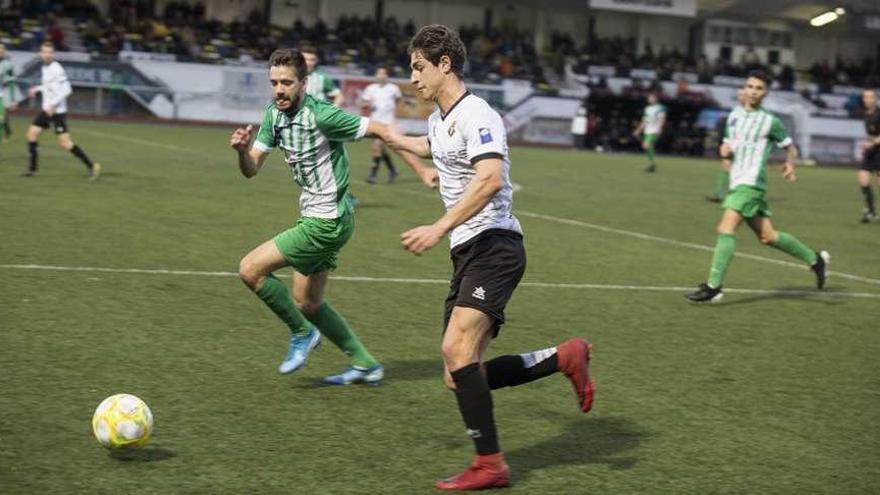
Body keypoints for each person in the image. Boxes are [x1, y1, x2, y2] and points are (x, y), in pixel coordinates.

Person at [380, 25, 595, 491]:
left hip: (494, 245)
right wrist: (386, 135)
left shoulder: (478, 112)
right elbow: (431, 147)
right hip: (469, 252)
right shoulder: (441, 120)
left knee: (456, 351)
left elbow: (491, 178)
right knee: (460, 375)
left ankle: (491, 463)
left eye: (419, 67)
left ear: (444, 65)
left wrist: (438, 226)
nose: (413, 78)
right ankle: (563, 357)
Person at [230, 48, 385, 385]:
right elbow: (252, 169)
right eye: (274, 82)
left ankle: (302, 334)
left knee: (250, 270)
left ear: (303, 83)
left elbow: (378, 129)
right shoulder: (273, 115)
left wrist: (418, 151)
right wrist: (243, 152)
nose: (279, 89)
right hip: (327, 219)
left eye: (286, 82)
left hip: (325, 223)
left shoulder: (322, 114)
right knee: (308, 302)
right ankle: (366, 364)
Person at [686, 71, 830, 303]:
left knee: (725, 228)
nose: (752, 91)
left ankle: (714, 287)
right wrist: (725, 152)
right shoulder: (733, 116)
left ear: (765, 93)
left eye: (758, 88)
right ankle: (815, 260)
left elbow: (790, 148)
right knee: (768, 236)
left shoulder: (770, 121)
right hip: (738, 183)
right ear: (744, 89)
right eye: (750, 86)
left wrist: (790, 165)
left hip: (751, 184)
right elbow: (727, 145)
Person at [22, 42, 101, 179]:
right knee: (31, 135)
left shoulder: (56, 68)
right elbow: (48, 86)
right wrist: (37, 89)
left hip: (57, 111)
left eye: (49, 52)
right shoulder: (44, 68)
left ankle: (92, 166)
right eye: (44, 52)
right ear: (40, 53)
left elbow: (67, 89)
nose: (46, 55)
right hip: (47, 110)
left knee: (65, 143)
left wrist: (53, 105)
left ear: (52, 54)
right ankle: (32, 170)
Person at [361, 67, 401, 183]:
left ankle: (372, 175)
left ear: (387, 76)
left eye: (384, 73)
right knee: (380, 149)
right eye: (379, 73)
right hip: (375, 122)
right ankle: (392, 170)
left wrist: (395, 116)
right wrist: (368, 104)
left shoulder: (393, 88)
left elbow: (398, 100)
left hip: (388, 122)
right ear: (376, 76)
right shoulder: (370, 89)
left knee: (377, 147)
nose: (381, 76)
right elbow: (363, 103)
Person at [707, 89, 746, 203]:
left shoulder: (752, 113)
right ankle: (718, 194)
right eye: (738, 95)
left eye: (742, 95)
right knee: (726, 166)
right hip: (732, 144)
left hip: (744, 146)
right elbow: (730, 128)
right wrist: (726, 141)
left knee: (741, 171)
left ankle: (738, 194)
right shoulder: (735, 111)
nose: (740, 97)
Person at [857, 88, 880, 223]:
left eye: (870, 97)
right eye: (865, 97)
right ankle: (871, 212)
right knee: (863, 179)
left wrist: (871, 143)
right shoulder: (867, 113)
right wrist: (868, 143)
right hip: (871, 151)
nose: (868, 99)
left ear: (876, 99)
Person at [633, 92, 665, 173]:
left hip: (654, 129)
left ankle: (652, 164)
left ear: (655, 98)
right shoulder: (647, 108)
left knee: (646, 145)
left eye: (651, 97)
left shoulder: (661, 107)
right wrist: (638, 130)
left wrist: (659, 129)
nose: (649, 99)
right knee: (647, 146)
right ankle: (652, 165)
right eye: (649, 98)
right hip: (648, 129)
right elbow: (644, 120)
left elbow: (662, 119)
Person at [0, 43, 20, 142]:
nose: (0, 50)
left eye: (2, 48)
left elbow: (11, 82)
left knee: (1, 118)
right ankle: (8, 133)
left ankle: (7, 134)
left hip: (1, 95)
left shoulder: (8, 65)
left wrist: (13, 99)